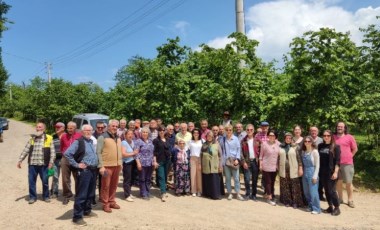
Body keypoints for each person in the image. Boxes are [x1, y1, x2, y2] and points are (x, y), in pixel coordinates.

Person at [64, 125, 98, 226]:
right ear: (82, 132)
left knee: (90, 193)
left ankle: (87, 211)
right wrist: (76, 164)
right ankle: (77, 217)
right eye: (86, 130)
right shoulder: (78, 141)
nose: (88, 132)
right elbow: (67, 153)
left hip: (93, 170)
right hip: (84, 172)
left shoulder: (91, 141)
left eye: (90, 130)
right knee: (82, 194)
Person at [17, 122, 55, 204]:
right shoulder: (32, 138)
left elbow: (53, 153)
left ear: (44, 129)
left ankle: (46, 196)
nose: (38, 128)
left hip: (44, 165)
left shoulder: (49, 138)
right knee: (31, 181)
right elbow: (26, 150)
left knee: (45, 181)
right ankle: (33, 197)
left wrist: (51, 163)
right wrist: (20, 160)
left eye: (40, 127)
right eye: (37, 127)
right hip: (32, 165)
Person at [97, 120, 122, 213]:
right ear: (108, 126)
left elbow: (119, 152)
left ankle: (112, 201)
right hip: (106, 166)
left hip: (117, 165)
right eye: (113, 126)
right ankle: (105, 203)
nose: (115, 127)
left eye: (116, 126)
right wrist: (101, 166)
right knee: (105, 186)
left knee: (114, 185)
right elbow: (98, 152)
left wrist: (120, 163)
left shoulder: (118, 138)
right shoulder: (102, 137)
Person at [334, 121, 357, 208]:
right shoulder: (333, 137)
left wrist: (350, 156)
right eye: (338, 126)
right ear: (336, 127)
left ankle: (350, 200)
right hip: (336, 164)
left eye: (341, 127)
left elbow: (355, 149)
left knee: (348, 182)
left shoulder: (349, 137)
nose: (339, 128)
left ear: (344, 128)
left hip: (347, 163)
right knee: (338, 182)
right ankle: (340, 199)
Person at [278, 132, 304, 208]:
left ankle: (295, 202)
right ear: (284, 139)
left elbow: (299, 159)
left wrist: (300, 168)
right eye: (287, 138)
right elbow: (278, 158)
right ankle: (287, 201)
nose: (288, 139)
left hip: (293, 169)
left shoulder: (296, 147)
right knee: (285, 186)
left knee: (294, 186)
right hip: (283, 169)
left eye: (290, 138)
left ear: (292, 139)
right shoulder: (281, 146)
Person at [319, 130, 341, 216]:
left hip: (331, 172)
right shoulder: (320, 146)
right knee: (326, 190)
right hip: (322, 172)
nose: (326, 137)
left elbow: (338, 161)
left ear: (331, 136)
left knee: (332, 190)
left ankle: (337, 207)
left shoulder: (336, 147)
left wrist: (335, 172)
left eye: (328, 135)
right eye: (324, 135)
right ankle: (330, 206)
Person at [61, 121, 82, 205]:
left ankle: (78, 195)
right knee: (65, 178)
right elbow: (62, 147)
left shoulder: (79, 136)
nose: (69, 130)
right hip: (65, 159)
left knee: (77, 177)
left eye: (71, 128)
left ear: (75, 128)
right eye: (68, 128)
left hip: (76, 159)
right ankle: (67, 195)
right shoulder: (64, 136)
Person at [221, 125, 244, 201]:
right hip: (226, 161)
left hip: (234, 161)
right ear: (225, 131)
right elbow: (220, 150)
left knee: (236, 178)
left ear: (232, 130)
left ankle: (238, 193)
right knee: (227, 178)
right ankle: (229, 193)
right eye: (227, 130)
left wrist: (237, 159)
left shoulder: (236, 139)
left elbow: (238, 149)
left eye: (230, 130)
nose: (228, 131)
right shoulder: (223, 139)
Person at [134, 127, 156, 200]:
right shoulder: (138, 141)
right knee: (142, 179)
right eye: (143, 132)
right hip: (142, 163)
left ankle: (147, 191)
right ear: (141, 133)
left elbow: (153, 152)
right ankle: (143, 193)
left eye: (146, 132)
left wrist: (154, 161)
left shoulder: (150, 141)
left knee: (148, 178)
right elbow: (136, 154)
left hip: (150, 163)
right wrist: (138, 163)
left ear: (148, 133)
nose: (145, 133)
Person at [260, 129, 280, 206]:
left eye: (273, 135)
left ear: (276, 136)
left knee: (273, 182)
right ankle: (269, 198)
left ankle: (271, 194)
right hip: (266, 166)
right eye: (270, 135)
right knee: (268, 182)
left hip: (275, 166)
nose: (271, 136)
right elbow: (261, 156)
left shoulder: (278, 144)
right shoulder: (264, 144)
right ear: (268, 136)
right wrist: (260, 165)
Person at [301, 136, 321, 214]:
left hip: (312, 172)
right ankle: (310, 206)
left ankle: (317, 209)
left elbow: (317, 165)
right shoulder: (304, 152)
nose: (307, 143)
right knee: (306, 191)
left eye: (309, 141)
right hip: (305, 172)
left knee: (313, 191)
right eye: (305, 141)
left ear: (312, 142)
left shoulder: (315, 152)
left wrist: (315, 176)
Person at [201, 131, 223, 200]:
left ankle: (215, 195)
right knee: (207, 180)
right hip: (206, 165)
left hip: (214, 165)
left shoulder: (217, 144)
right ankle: (208, 194)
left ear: (213, 137)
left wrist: (220, 165)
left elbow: (220, 156)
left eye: (211, 136)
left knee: (214, 180)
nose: (209, 137)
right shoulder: (204, 144)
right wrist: (201, 164)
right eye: (208, 136)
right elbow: (201, 155)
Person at [240, 124, 259, 201]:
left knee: (255, 179)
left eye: (251, 130)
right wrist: (243, 162)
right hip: (247, 162)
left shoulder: (257, 141)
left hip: (255, 162)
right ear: (246, 130)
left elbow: (261, 152)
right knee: (247, 179)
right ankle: (248, 193)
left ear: (253, 131)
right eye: (248, 130)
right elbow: (240, 153)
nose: (249, 131)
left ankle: (254, 194)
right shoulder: (243, 141)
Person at [153, 126, 171, 202]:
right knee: (161, 177)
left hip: (167, 161)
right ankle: (163, 193)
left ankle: (163, 190)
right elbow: (153, 152)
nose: (162, 132)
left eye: (163, 130)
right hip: (159, 161)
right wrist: (155, 161)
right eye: (160, 130)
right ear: (158, 131)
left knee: (165, 176)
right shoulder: (155, 140)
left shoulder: (167, 139)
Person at [121, 130, 138, 202]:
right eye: (129, 134)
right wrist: (133, 153)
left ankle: (129, 192)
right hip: (127, 163)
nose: (130, 135)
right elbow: (123, 154)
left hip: (133, 162)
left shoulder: (133, 142)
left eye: (132, 134)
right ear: (125, 135)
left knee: (132, 178)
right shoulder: (123, 142)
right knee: (127, 179)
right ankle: (127, 195)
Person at [50, 122, 65, 198]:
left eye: (58, 127)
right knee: (55, 176)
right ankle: (54, 192)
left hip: (65, 160)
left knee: (66, 177)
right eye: (56, 127)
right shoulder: (53, 137)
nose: (56, 128)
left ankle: (66, 192)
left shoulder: (67, 136)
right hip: (55, 160)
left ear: (63, 128)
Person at [309, 126, 324, 201]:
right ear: (310, 132)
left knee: (320, 179)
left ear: (317, 132)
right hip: (310, 162)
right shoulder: (307, 139)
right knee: (311, 178)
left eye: (315, 131)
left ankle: (320, 194)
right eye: (312, 131)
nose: (313, 132)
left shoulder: (321, 140)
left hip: (320, 162)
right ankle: (311, 194)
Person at [189, 128, 203, 197]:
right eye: (194, 132)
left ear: (199, 134)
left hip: (200, 159)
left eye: (197, 133)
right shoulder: (190, 141)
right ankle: (193, 191)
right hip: (192, 158)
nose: (196, 134)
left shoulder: (202, 141)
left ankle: (199, 190)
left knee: (199, 175)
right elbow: (186, 149)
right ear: (193, 134)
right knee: (193, 175)